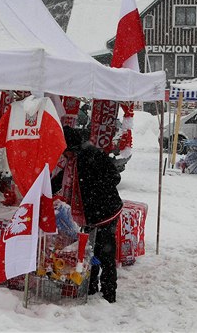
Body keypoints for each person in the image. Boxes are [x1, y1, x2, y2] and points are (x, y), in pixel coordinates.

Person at [61, 126, 123, 303]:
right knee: (89, 250)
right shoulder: (73, 160)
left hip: (106, 211)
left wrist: (96, 191)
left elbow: (114, 177)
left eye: (66, 151)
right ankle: (91, 286)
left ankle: (109, 293)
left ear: (71, 147)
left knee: (105, 252)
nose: (64, 155)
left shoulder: (93, 155)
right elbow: (60, 179)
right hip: (89, 214)